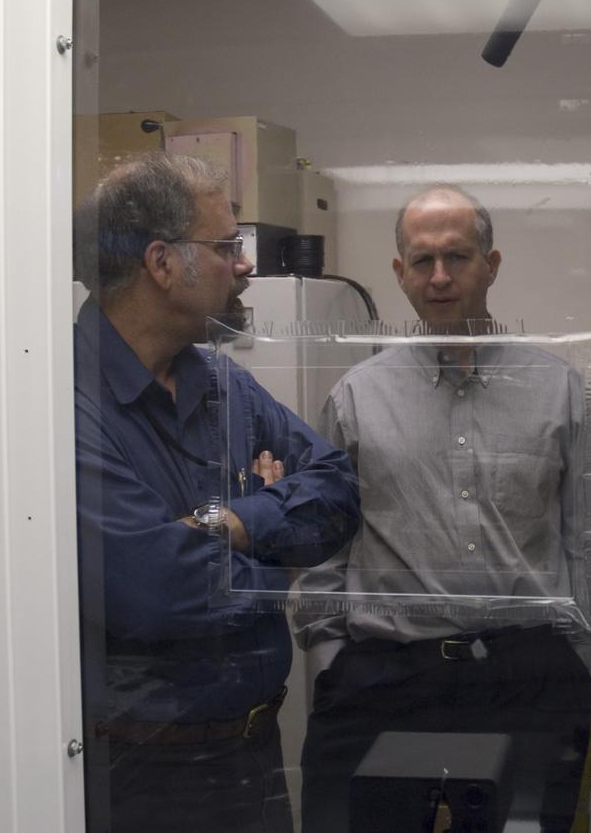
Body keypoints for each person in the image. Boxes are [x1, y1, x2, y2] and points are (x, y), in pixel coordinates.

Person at [292, 184, 591, 833]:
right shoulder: (358, 397)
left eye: (457, 256)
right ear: (400, 272)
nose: (439, 276)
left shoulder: (557, 391)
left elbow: (590, 535)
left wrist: (583, 657)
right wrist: (330, 657)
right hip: (384, 678)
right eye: (422, 260)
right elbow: (325, 545)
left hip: (525, 677)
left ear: (490, 265)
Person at [72, 152, 360, 833]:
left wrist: (229, 522)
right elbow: (158, 589)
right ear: (162, 263)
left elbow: (338, 491)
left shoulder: (224, 385)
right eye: (228, 246)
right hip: (143, 776)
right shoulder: (66, 400)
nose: (246, 265)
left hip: (252, 753)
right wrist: (279, 552)